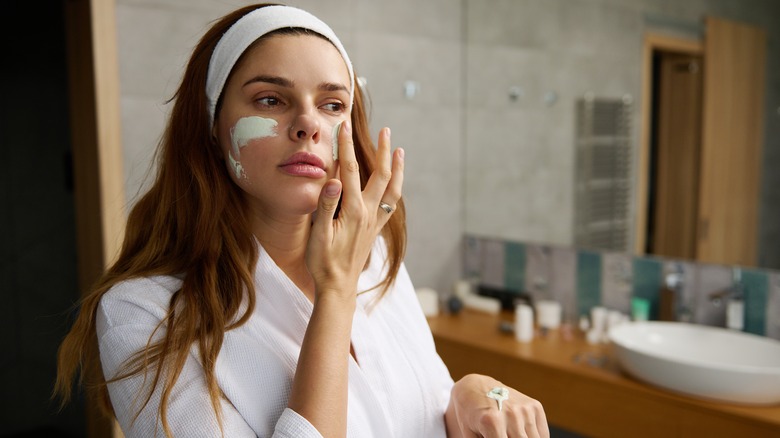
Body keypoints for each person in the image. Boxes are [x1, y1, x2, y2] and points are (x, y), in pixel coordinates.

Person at [55, 3, 549, 437]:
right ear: (210, 127)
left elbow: (424, 408)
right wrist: (334, 295)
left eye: (333, 105)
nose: (309, 124)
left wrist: (469, 392)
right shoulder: (145, 314)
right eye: (271, 99)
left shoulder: (374, 258)